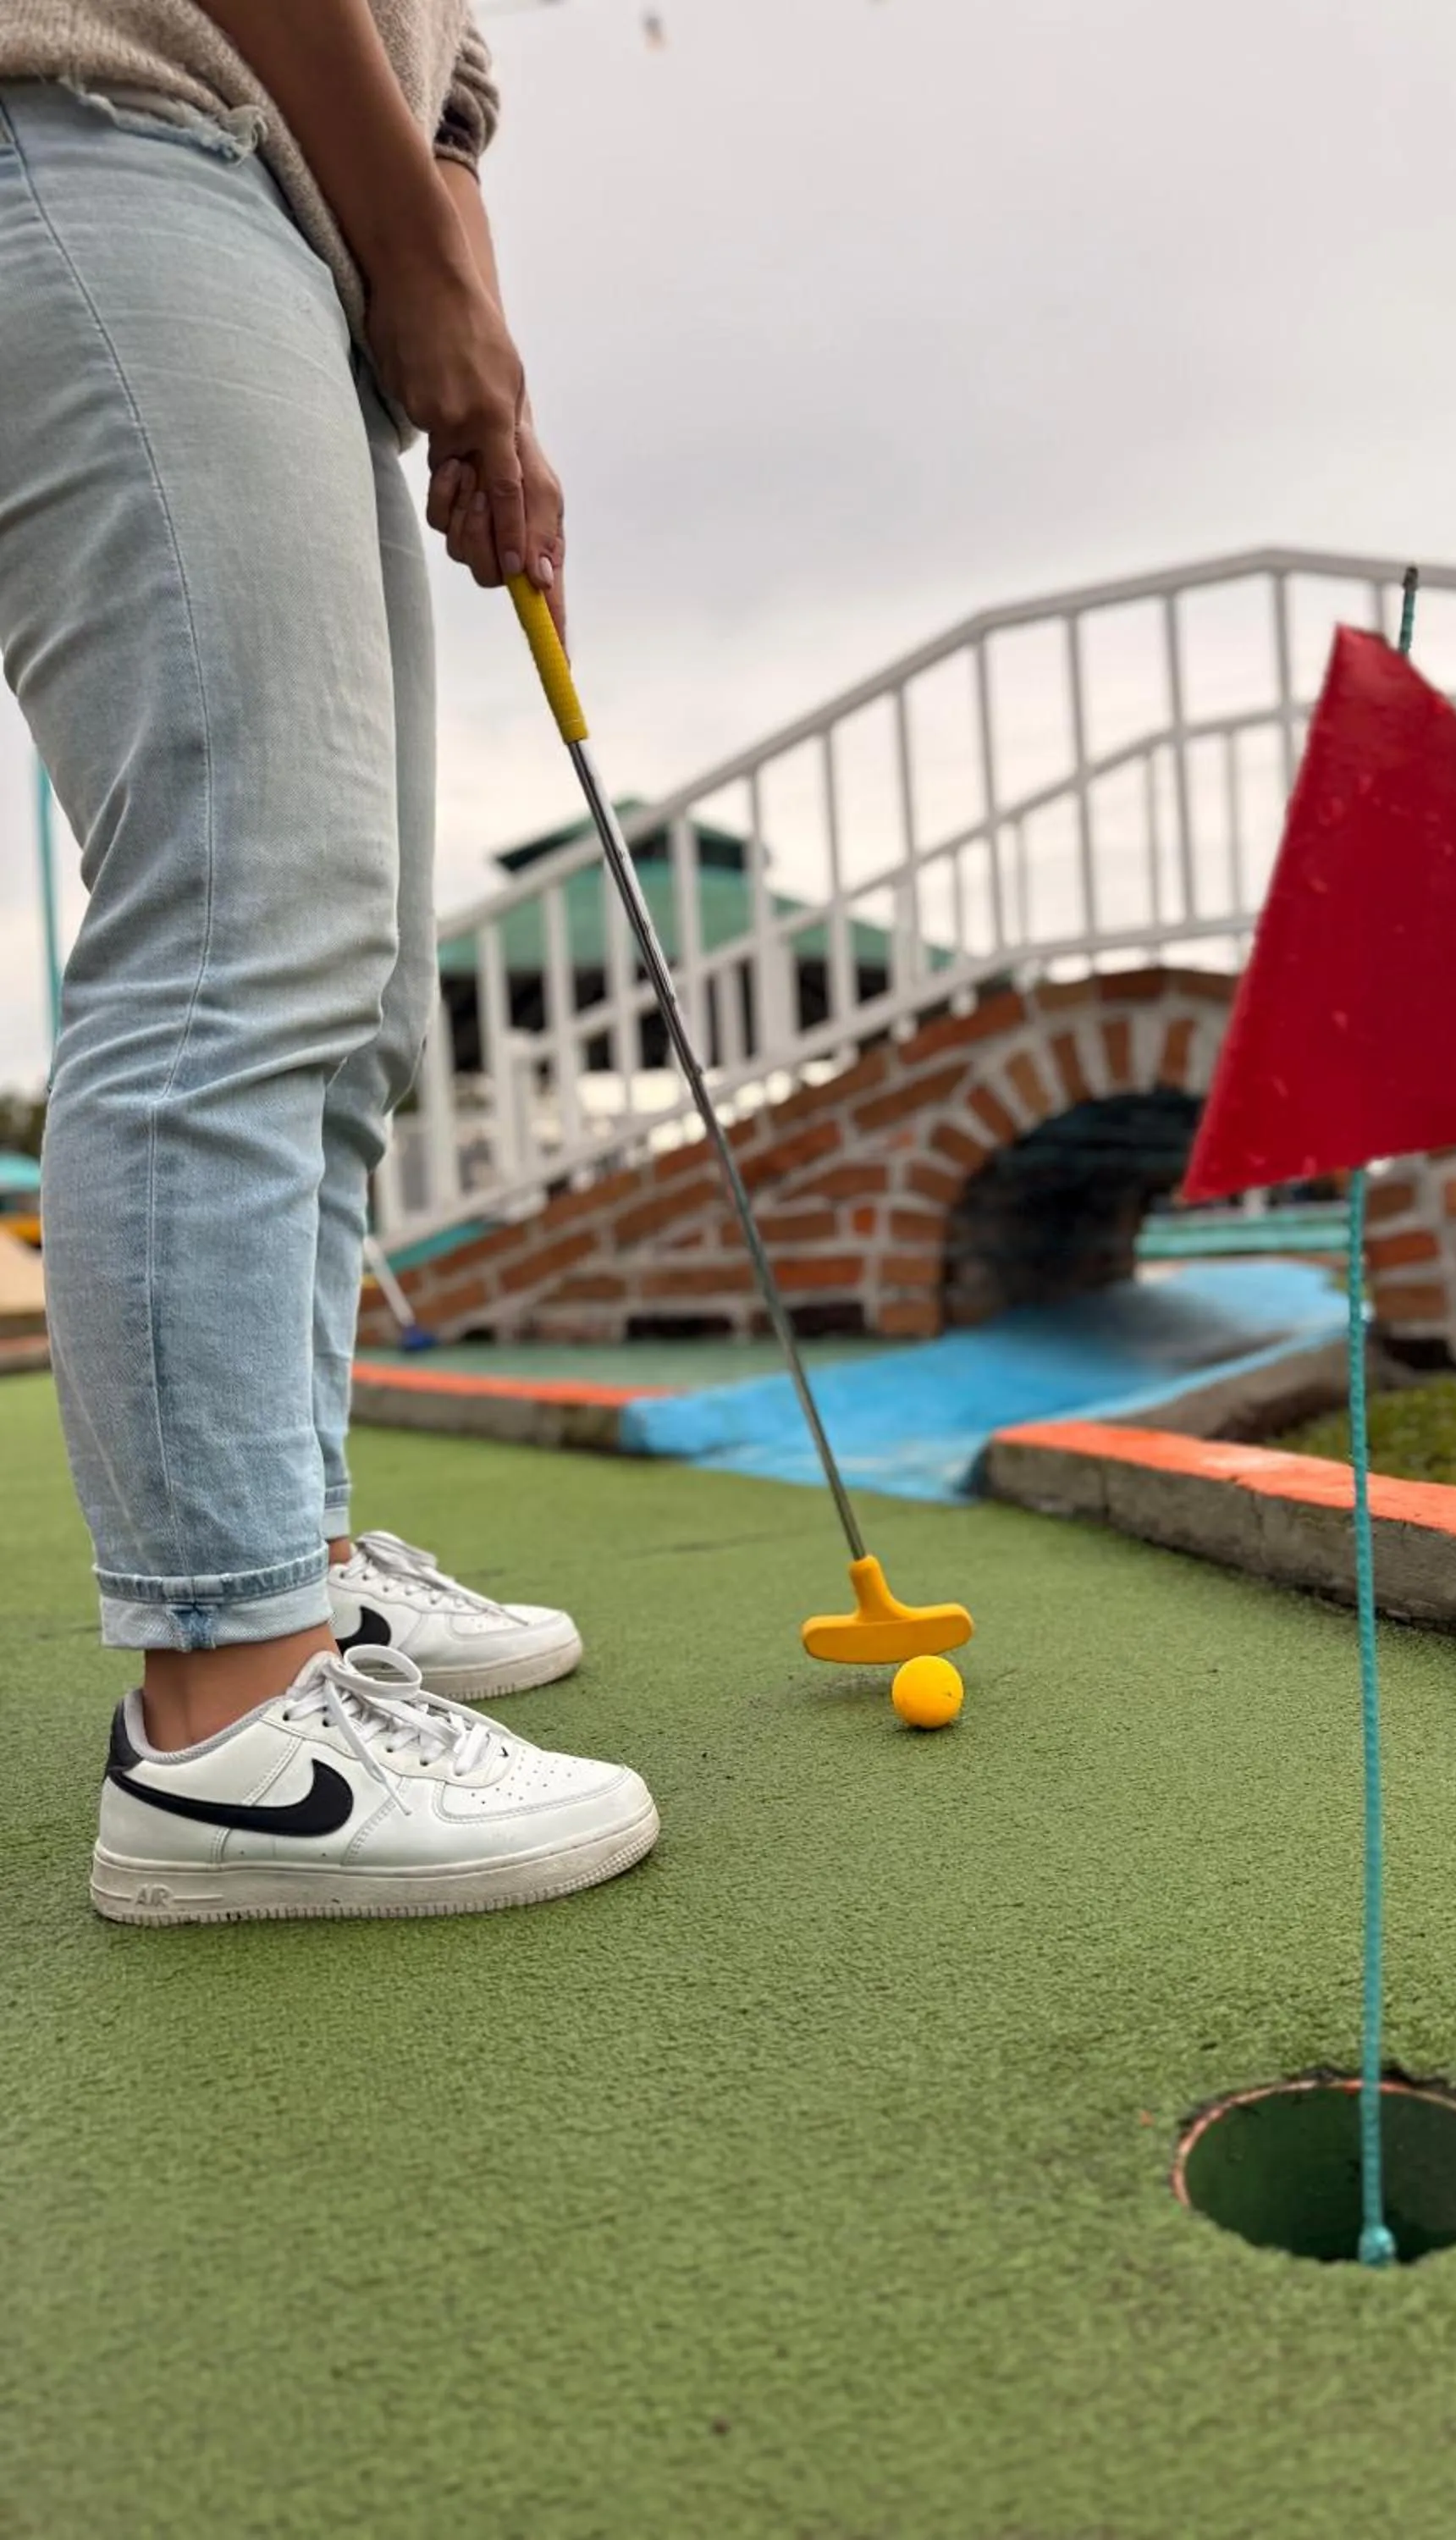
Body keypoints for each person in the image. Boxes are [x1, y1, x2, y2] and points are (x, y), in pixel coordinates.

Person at [0, 2, 659, 1922]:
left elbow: (443, 100)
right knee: (238, 917)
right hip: (98, 129)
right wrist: (421, 276)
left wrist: (474, 352)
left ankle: (292, 1558)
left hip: (291, 229)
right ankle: (229, 1720)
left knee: (356, 982)